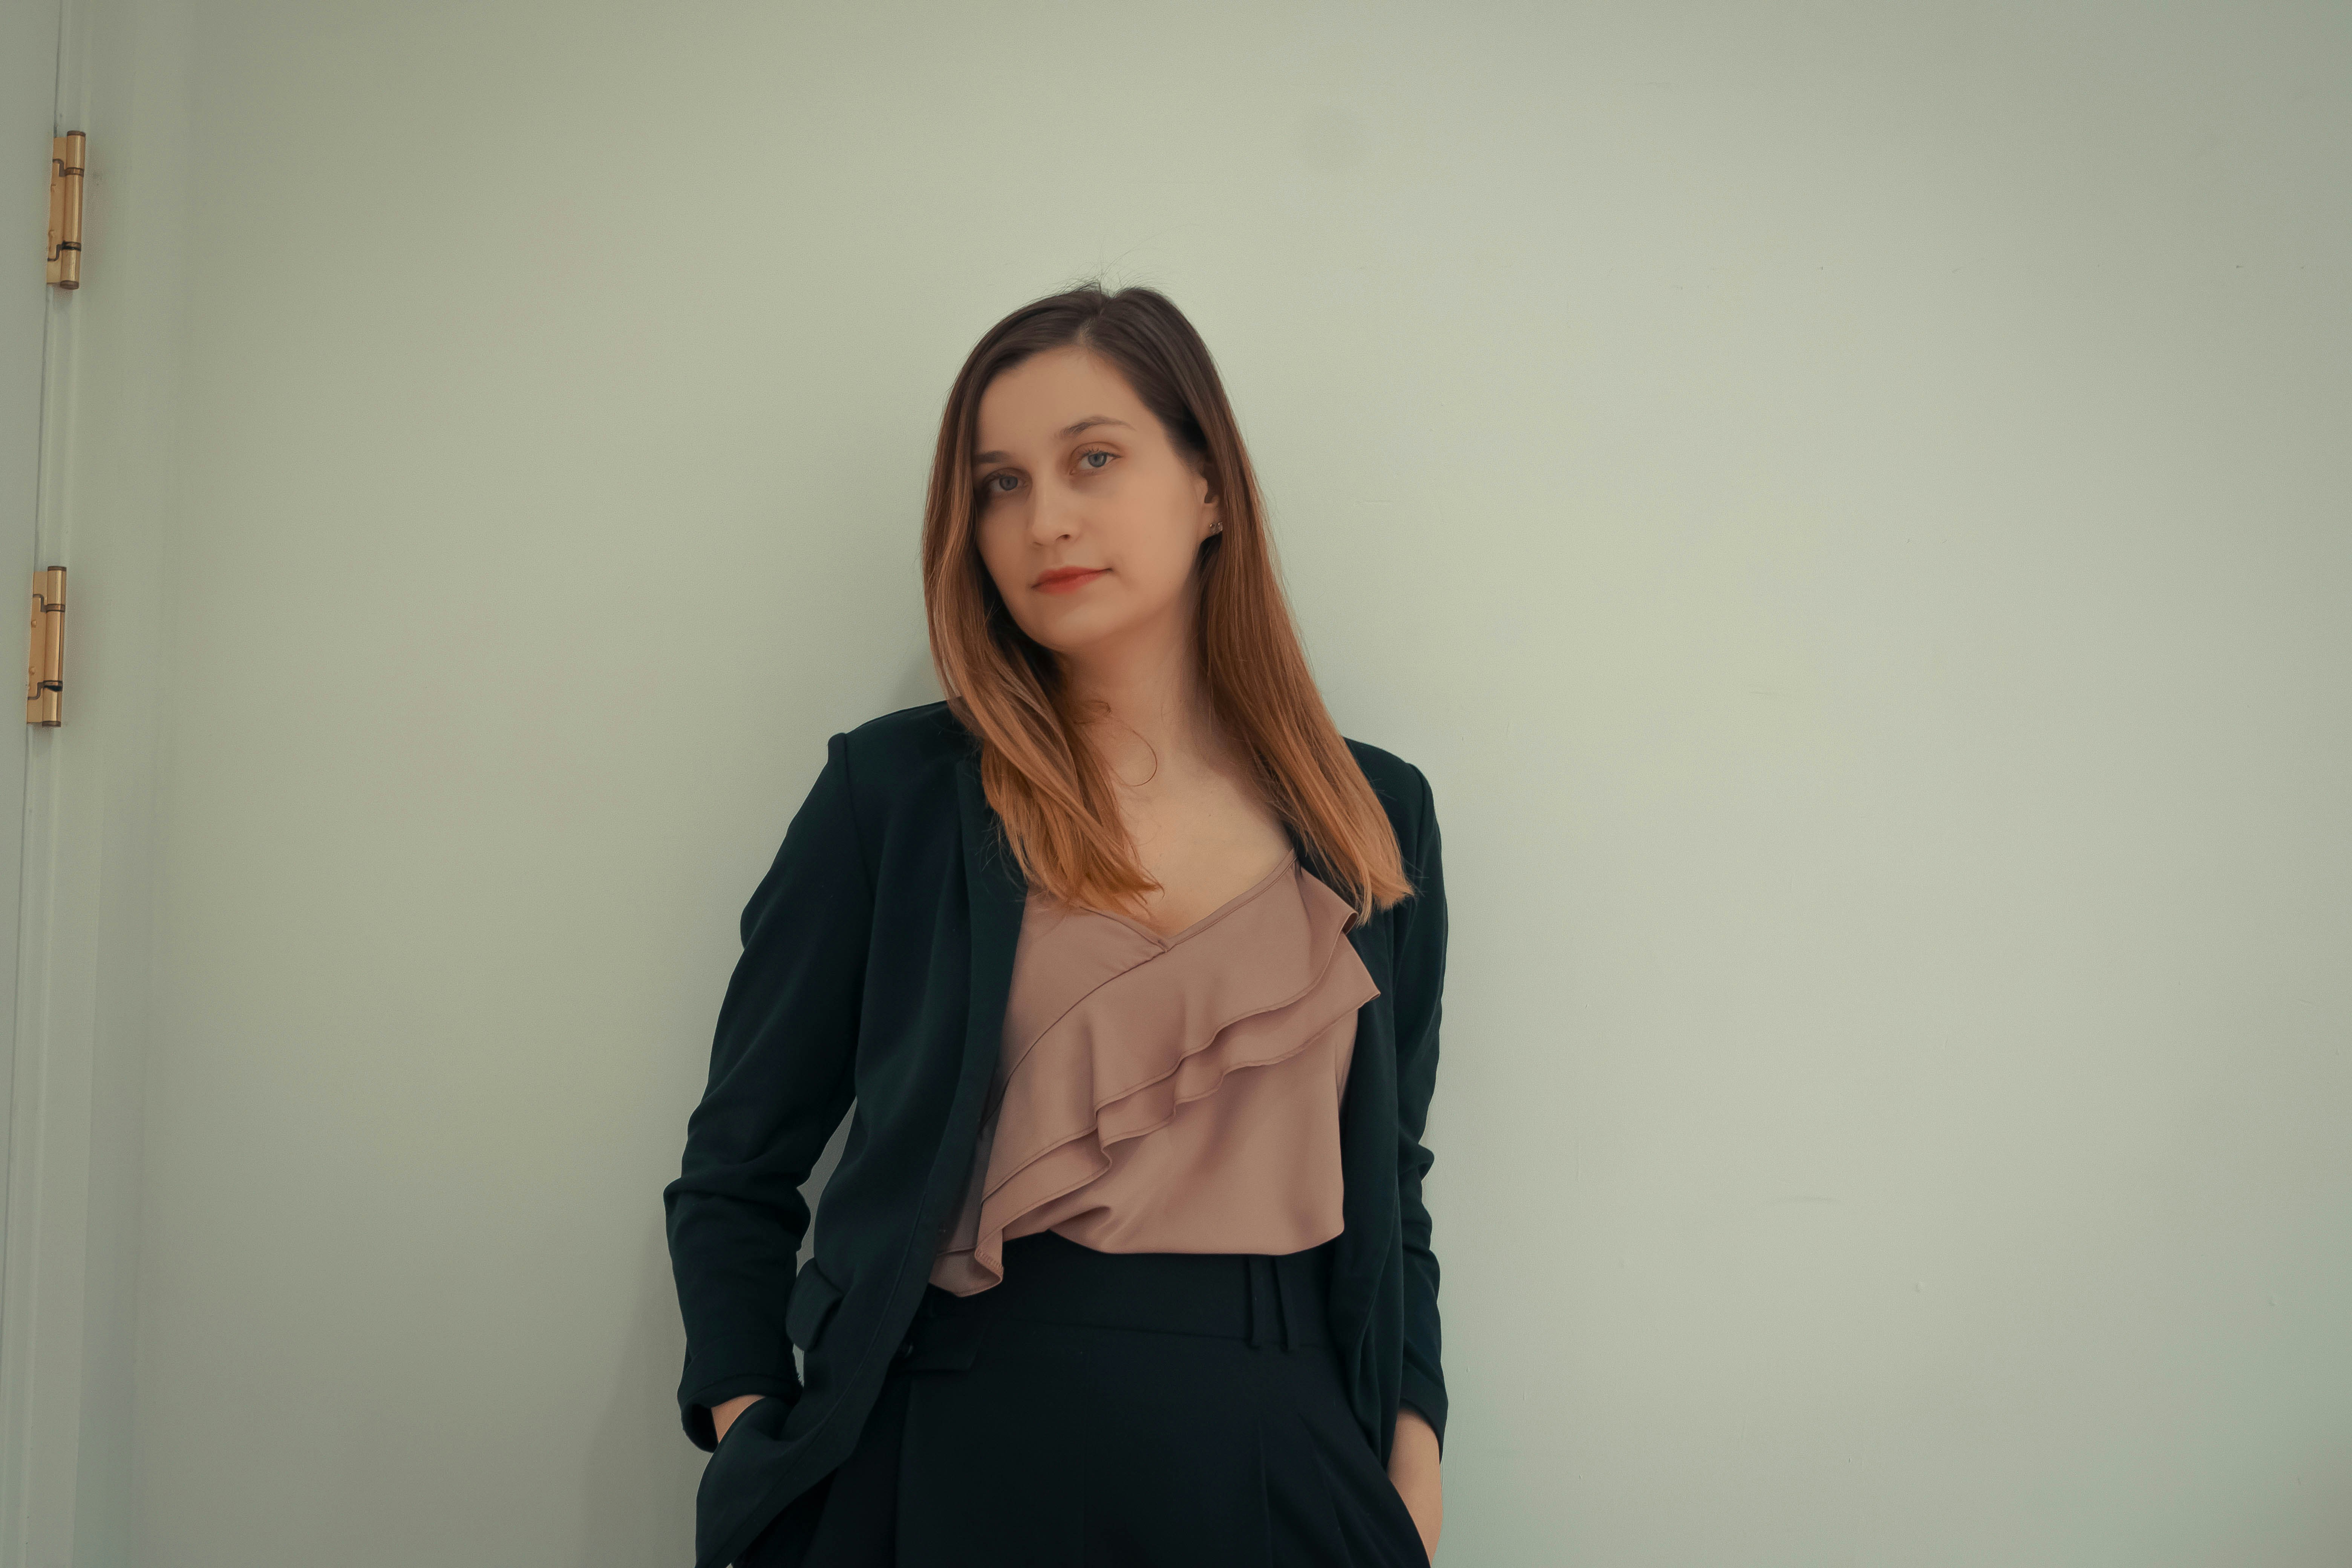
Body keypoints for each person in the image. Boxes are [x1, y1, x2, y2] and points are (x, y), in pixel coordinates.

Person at [664, 282, 1450, 1568]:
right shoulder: (894, 800)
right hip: (945, 1446)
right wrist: (762, 1435)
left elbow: (1393, 1182)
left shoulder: (1373, 815)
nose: (1045, 519)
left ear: (1209, 489)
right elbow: (737, 1169)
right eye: (998, 484)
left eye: (1092, 459)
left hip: (1286, 1451)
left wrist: (1411, 1464)